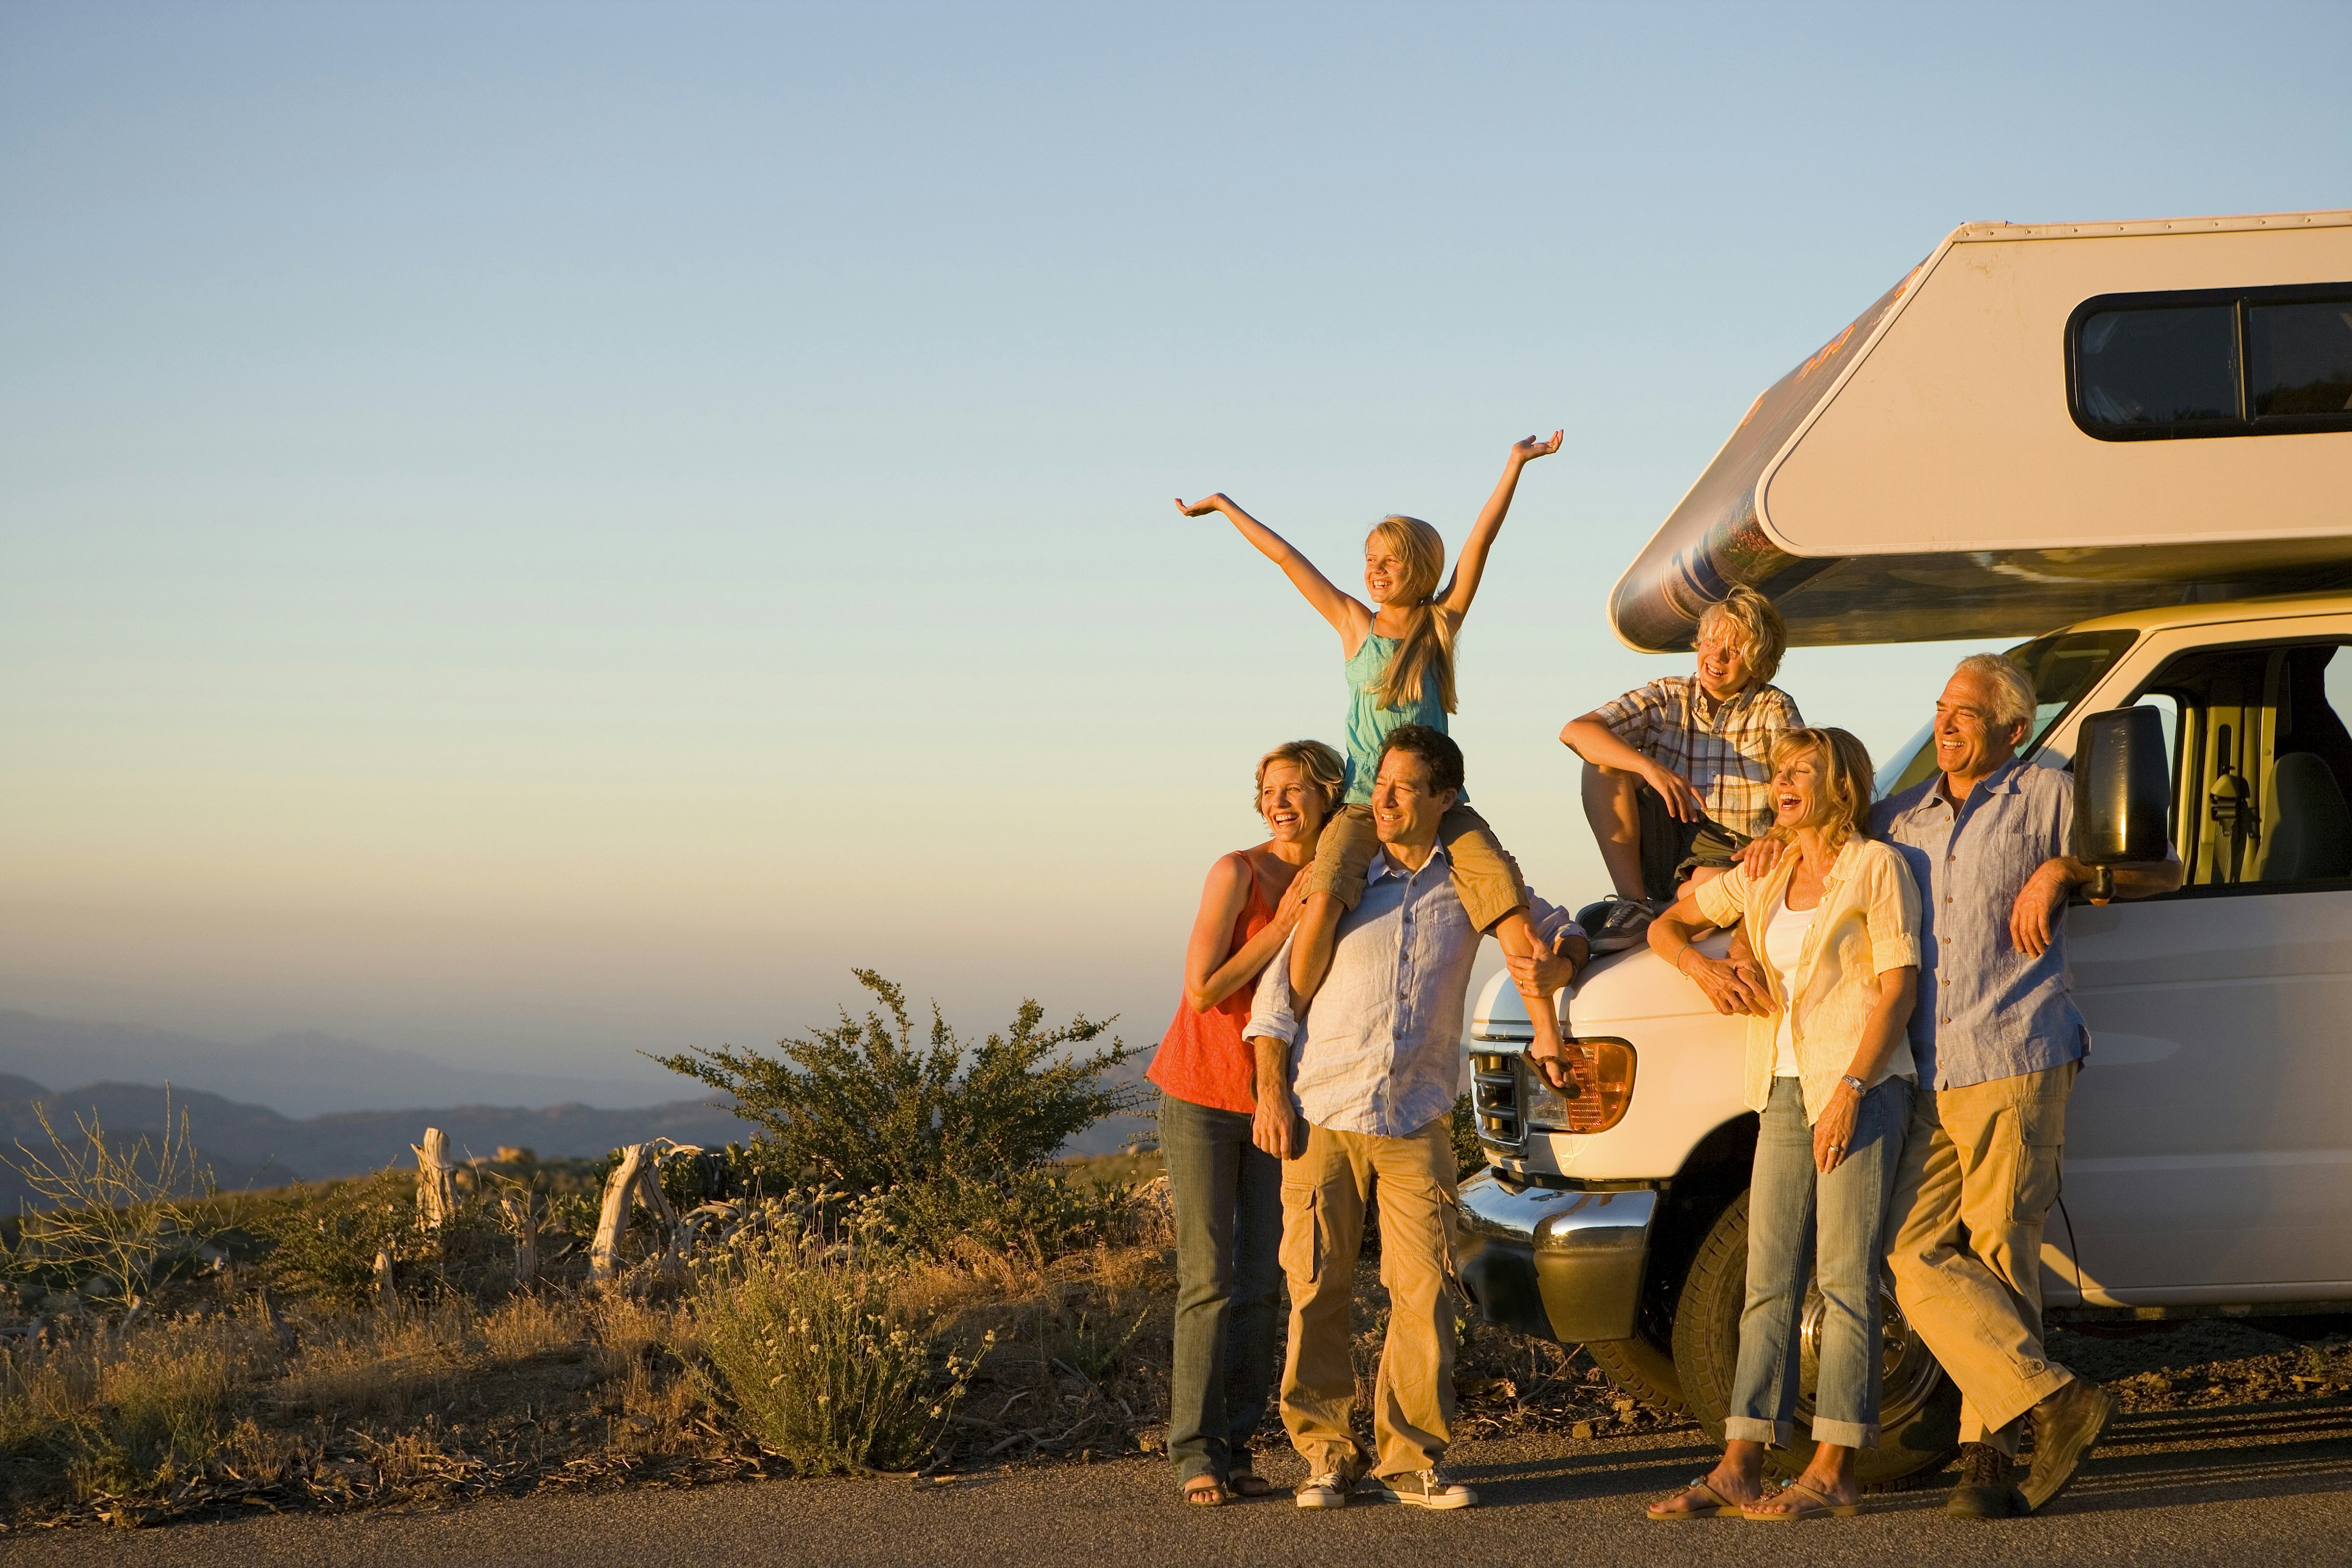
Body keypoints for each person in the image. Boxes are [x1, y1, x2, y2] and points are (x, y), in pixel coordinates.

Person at [1243, 725, 1586, 1512]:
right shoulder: (1345, 877)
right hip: (1323, 1109)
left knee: (1424, 1290)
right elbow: (1275, 1001)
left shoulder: (1470, 883)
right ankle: (1326, 1454)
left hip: (1415, 1118)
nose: (1384, 800)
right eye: (1382, 784)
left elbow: (1560, 928)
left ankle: (1410, 1460)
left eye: (1403, 788)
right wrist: (1270, 1090)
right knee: (1316, 1286)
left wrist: (1563, 962)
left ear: (1445, 799)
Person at [1872, 654, 2182, 1518]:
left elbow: (2165, 868)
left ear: (2013, 728)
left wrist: (2065, 871)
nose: (1948, 721)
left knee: (2003, 1246)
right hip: (1926, 1068)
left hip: (2016, 1051)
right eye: (1943, 706)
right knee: (1910, 1250)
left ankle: (1988, 1459)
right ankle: (2057, 1399)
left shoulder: (2050, 792)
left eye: (1969, 711)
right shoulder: (1899, 816)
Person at [1176, 432, 1569, 1060]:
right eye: (1369, 559)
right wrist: (1225, 507)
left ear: (1420, 568)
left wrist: (1514, 465)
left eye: (1389, 560)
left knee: (1501, 890)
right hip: (1363, 800)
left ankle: (1547, 1031)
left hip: (1440, 800)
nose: (1374, 570)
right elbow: (1286, 558)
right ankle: (1291, 1030)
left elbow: (1481, 543)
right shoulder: (1353, 623)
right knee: (1325, 894)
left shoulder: (1439, 627)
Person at [1643, 727, 1921, 1521]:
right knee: (1768, 1280)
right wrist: (1707, 968)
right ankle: (1740, 1465)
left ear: (1842, 786)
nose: (1784, 781)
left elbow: (1898, 990)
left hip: (1862, 1091)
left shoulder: (1878, 868)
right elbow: (1670, 926)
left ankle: (1833, 1470)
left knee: (1844, 1281)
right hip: (1781, 1089)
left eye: (1804, 770)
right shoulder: (1763, 871)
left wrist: (1851, 1091)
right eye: (1779, 772)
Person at [1147, 739, 1342, 1508]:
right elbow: (1202, 991)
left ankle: (1236, 1443)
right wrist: (1283, 922)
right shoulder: (1237, 872)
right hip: (1200, 1091)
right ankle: (1193, 1450)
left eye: (1295, 789)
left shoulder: (1341, 875)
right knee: (1210, 1278)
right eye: (1270, 790)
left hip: (1281, 1097)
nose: (1280, 802)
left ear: (1328, 795)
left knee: (1265, 1281)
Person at [1559, 586, 1802, 952]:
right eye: (1712, 641)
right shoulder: (1669, 695)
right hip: (1667, 833)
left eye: (1734, 650)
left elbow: (1801, 780)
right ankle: (1634, 903)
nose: (1715, 656)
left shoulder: (1773, 707)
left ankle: (1663, 913)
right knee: (1602, 764)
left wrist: (1780, 834)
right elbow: (1575, 733)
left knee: (1708, 897)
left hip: (1730, 847)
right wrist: (1651, 768)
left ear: (1757, 663)